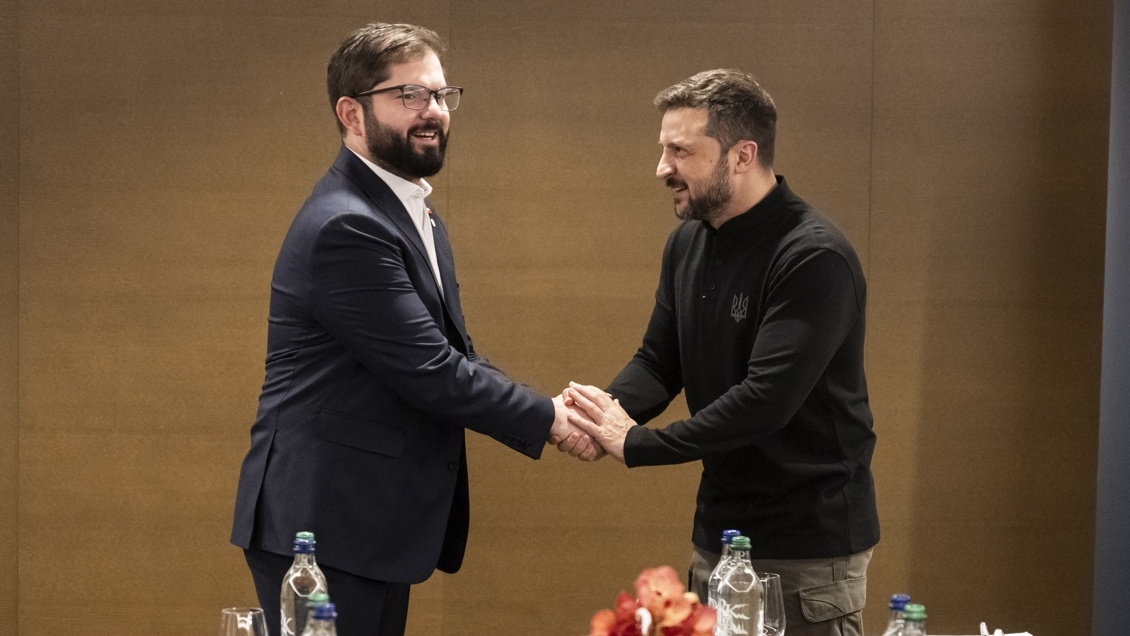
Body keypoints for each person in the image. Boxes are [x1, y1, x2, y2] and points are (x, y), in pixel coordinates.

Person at [230, 22, 599, 636]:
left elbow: (457, 356)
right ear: (351, 112)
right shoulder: (346, 225)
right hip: (320, 527)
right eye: (409, 96)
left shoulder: (413, 214)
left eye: (441, 95)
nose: (432, 112)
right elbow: (431, 371)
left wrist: (557, 409)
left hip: (366, 521)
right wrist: (554, 420)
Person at [566, 69, 879, 636]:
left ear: (742, 155)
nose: (663, 169)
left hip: (806, 548)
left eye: (680, 151)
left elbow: (764, 402)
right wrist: (599, 414)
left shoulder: (813, 256)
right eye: (664, 150)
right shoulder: (688, 241)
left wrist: (636, 443)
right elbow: (660, 361)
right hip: (720, 535)